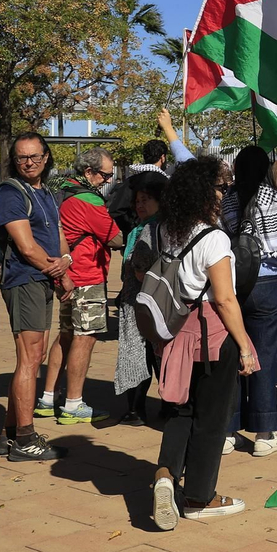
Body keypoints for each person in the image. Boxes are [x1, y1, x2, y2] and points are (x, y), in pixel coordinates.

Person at [148, 156, 260, 528]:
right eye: (220, 187)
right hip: (211, 335)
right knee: (212, 417)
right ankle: (198, 495)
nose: (223, 194)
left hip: (175, 331)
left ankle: (166, 474)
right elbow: (225, 299)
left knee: (180, 409)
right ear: (204, 192)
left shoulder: (167, 228)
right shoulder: (213, 238)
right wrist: (244, 345)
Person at [0, 133, 71, 462]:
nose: (29, 163)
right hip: (24, 280)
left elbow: (58, 236)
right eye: (22, 158)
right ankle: (24, 438)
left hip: (41, 280)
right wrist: (61, 274)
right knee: (30, 357)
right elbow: (27, 248)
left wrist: (65, 263)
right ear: (14, 160)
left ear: (46, 157)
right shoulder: (10, 194)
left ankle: (8, 435)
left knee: (33, 357)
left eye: (35, 157)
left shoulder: (45, 193)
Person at [221, 145, 277, 458]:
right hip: (268, 286)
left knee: (235, 358)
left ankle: (228, 431)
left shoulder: (227, 199)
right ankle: (265, 433)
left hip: (233, 285)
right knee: (264, 357)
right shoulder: (276, 201)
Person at [37, 146, 122, 424]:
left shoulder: (59, 190)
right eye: (106, 175)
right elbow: (114, 238)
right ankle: (74, 403)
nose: (108, 180)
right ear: (89, 171)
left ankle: (48, 398)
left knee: (65, 335)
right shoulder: (89, 200)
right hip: (87, 275)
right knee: (85, 338)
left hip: (65, 275)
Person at [112, 170, 167, 425]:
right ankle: (142, 407)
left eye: (146, 199)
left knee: (146, 355)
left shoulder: (155, 228)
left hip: (148, 304)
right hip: (138, 302)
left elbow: (139, 268)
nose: (140, 205)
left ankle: (140, 409)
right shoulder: (140, 229)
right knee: (147, 355)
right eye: (137, 201)